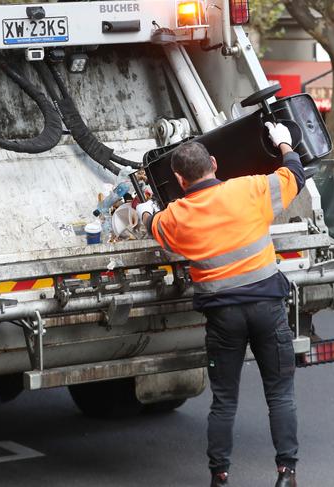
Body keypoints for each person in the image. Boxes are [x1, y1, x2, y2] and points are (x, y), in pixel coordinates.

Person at [137, 122, 303, 487]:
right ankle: (286, 473)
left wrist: (145, 210)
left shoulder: (178, 216)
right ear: (214, 162)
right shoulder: (251, 189)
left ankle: (220, 476)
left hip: (223, 318)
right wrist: (284, 143)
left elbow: (153, 226)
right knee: (279, 393)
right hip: (267, 309)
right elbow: (294, 174)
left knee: (224, 400)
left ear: (180, 180)